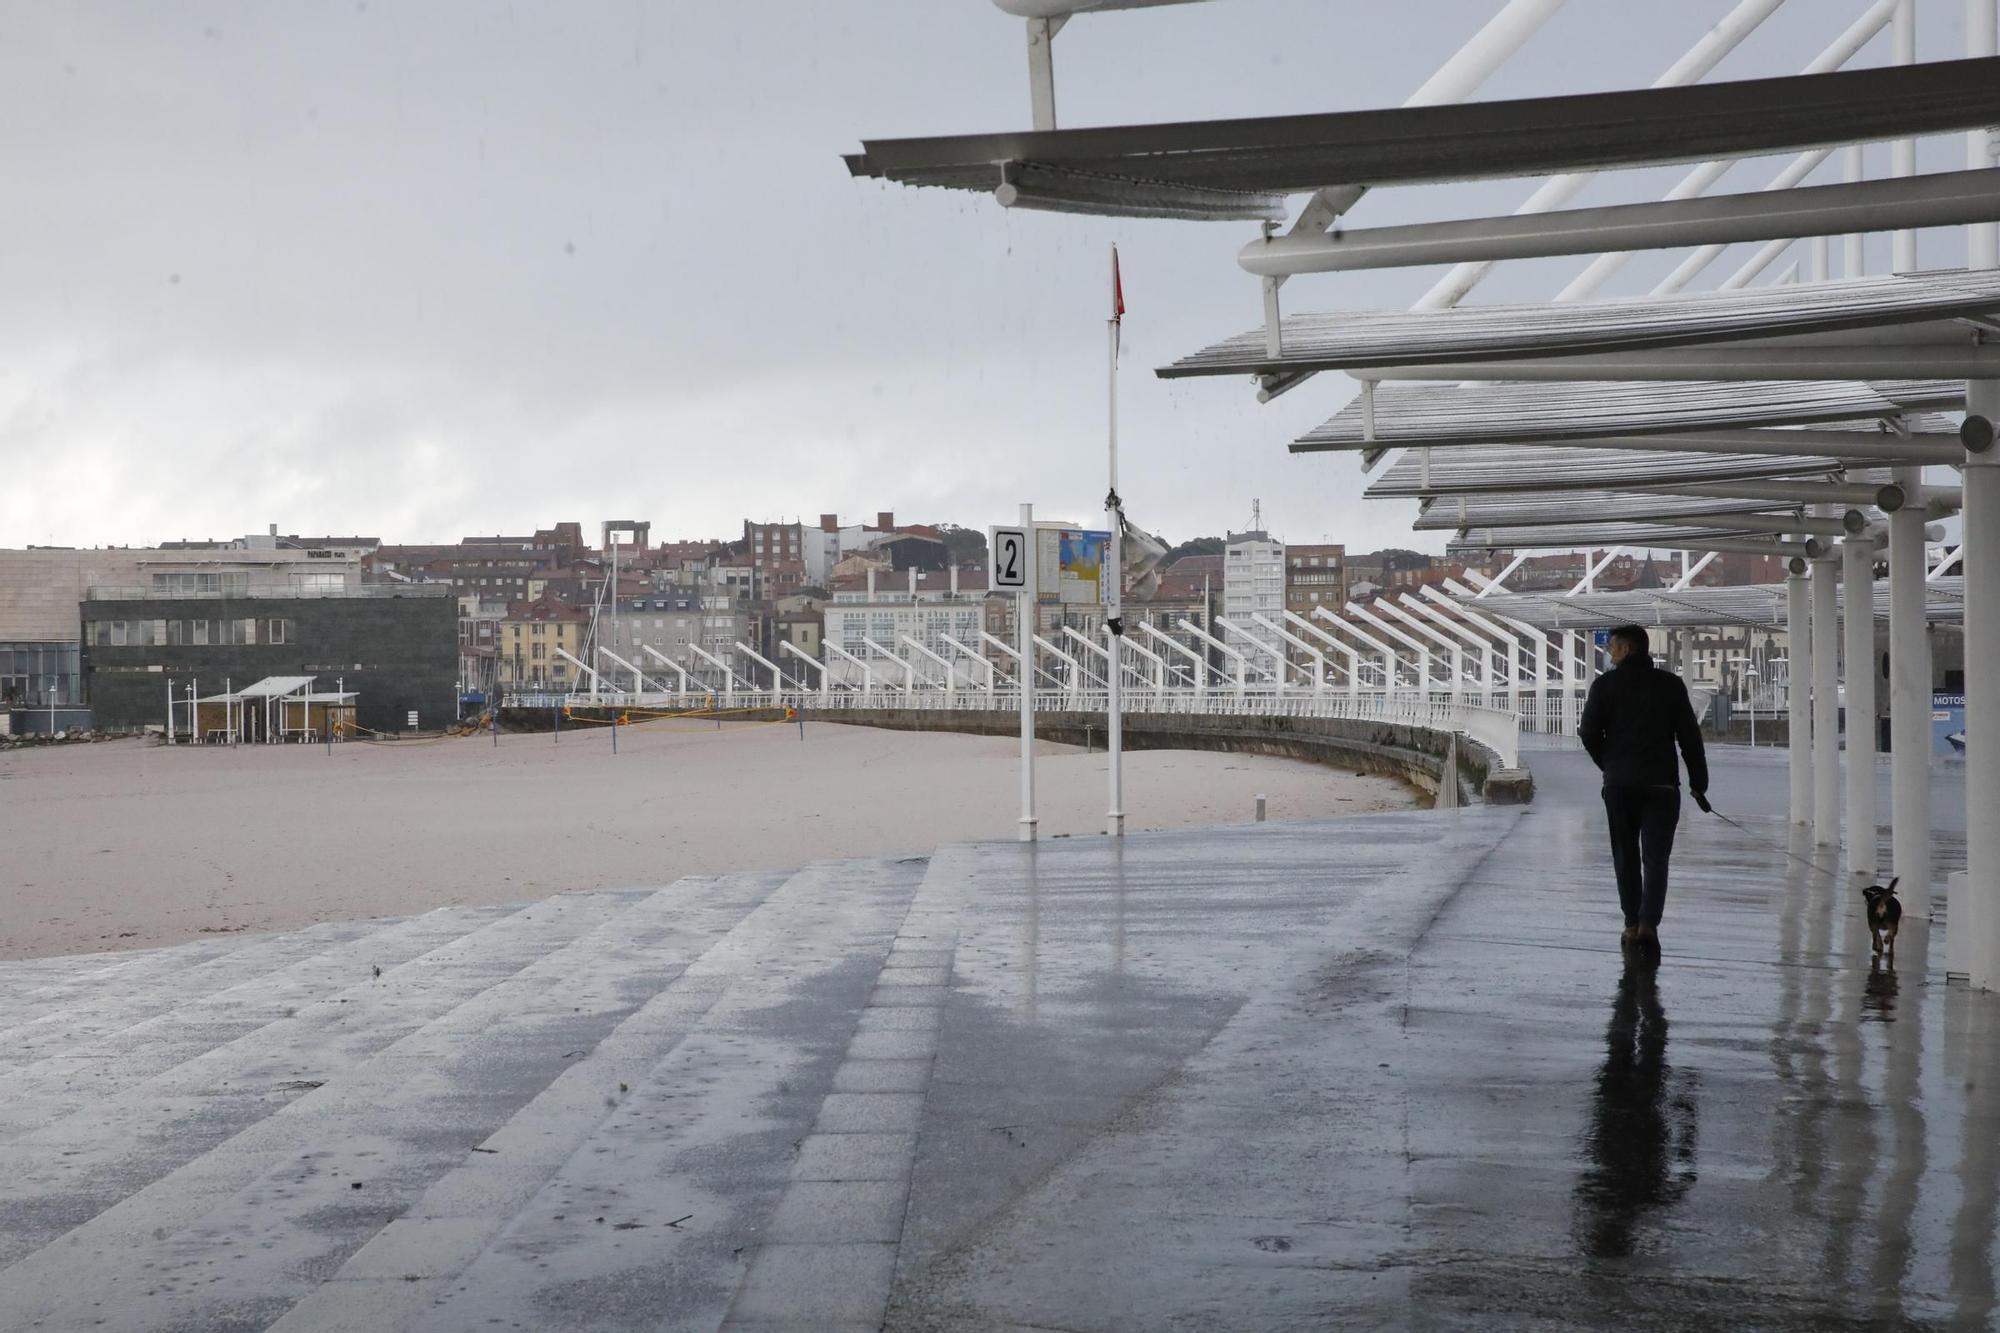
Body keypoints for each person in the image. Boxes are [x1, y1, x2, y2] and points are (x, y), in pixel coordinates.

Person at [1577, 625, 1709, 961]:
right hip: (1662, 785)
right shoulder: (1670, 685)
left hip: (1620, 785)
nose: (1609, 653)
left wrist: (1608, 764)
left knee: (1625, 854)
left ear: (1627, 649)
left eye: (1613, 647)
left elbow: (1588, 731)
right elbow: (1689, 737)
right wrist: (1698, 782)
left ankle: (1631, 921)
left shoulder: (1605, 686)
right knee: (1656, 858)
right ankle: (1649, 924)